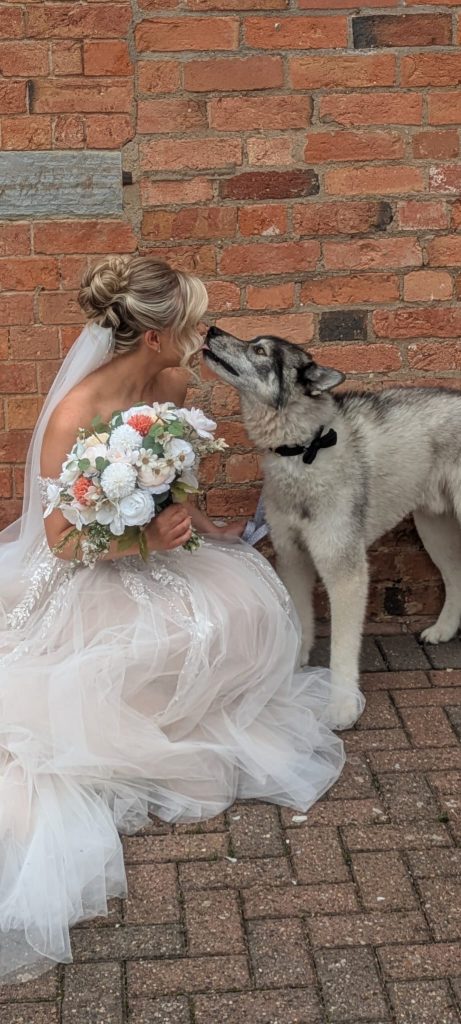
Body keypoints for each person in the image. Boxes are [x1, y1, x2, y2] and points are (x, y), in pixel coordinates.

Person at [0, 256, 360, 984]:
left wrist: (195, 524)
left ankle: (175, 708)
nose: (204, 333)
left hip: (157, 551)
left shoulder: (170, 382)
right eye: (194, 323)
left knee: (241, 612)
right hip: (83, 572)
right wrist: (141, 540)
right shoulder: (75, 413)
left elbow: (177, 478)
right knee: (126, 664)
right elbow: (65, 539)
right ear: (157, 336)